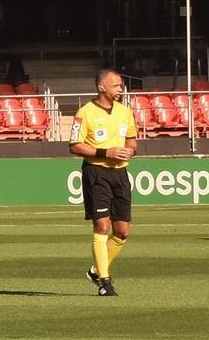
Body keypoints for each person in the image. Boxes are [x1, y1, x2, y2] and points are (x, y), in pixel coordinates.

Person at [69, 69, 137, 297]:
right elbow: (74, 145)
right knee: (102, 226)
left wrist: (130, 151)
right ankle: (105, 282)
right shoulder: (84, 113)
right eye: (116, 85)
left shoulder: (125, 112)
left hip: (120, 174)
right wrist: (105, 151)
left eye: (121, 85)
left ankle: (95, 270)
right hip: (96, 172)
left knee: (123, 231)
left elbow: (131, 139)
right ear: (102, 87)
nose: (121, 89)